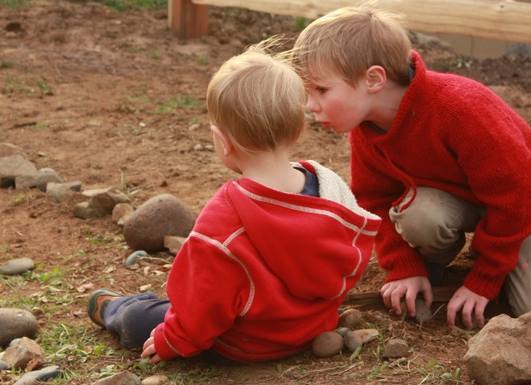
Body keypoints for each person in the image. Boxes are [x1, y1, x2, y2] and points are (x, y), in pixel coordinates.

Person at [87, 45, 381, 363]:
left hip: (245, 343)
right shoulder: (329, 188)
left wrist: (173, 340)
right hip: (310, 328)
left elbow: (204, 302)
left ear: (222, 142)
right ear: (299, 129)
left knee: (141, 319)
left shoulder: (225, 218)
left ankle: (111, 307)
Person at [293, 6, 530, 330]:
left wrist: (484, 280)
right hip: (477, 203)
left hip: (523, 207)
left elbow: (517, 196)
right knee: (419, 215)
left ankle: (497, 258)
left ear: (373, 79)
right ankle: (431, 269)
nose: (310, 105)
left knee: (526, 308)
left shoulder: (461, 108)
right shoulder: (367, 127)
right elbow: (373, 200)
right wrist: (403, 266)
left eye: (321, 90)